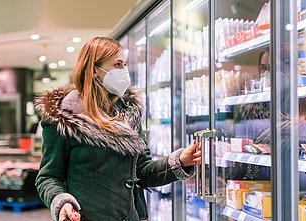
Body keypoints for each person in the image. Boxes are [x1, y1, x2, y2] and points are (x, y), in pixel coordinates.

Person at [34, 37, 201, 221]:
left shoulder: (128, 112)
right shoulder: (64, 118)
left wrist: (180, 161)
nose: (124, 71)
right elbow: (48, 177)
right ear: (94, 70)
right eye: (118, 64)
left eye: (125, 64)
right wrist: (62, 202)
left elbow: (143, 171)